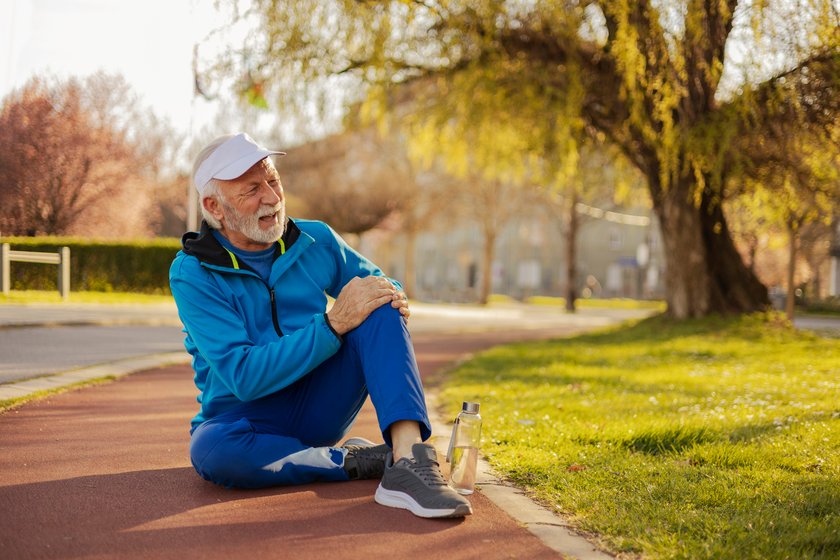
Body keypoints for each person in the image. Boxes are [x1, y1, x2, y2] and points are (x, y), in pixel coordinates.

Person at [170, 132, 471, 519]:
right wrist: (331, 326)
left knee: (377, 304)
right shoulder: (192, 273)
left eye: (273, 180)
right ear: (215, 206)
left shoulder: (317, 239)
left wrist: (390, 295)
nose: (273, 198)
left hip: (320, 405)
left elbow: (382, 285)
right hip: (246, 421)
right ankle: (346, 462)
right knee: (210, 450)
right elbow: (243, 376)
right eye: (251, 190)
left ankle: (410, 458)